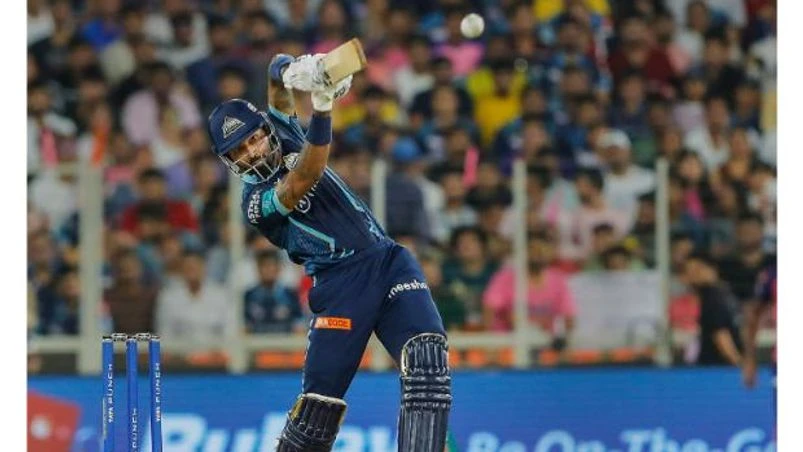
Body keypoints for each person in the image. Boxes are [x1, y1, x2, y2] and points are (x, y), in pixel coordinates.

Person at [206, 53, 450, 451]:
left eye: (253, 138)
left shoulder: (283, 128)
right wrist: (322, 105)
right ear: (230, 161)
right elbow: (307, 173)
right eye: (238, 151)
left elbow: (273, 72)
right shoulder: (256, 203)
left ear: (266, 130)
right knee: (317, 410)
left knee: (427, 365)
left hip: (387, 260)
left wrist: (299, 70)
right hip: (341, 288)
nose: (251, 151)